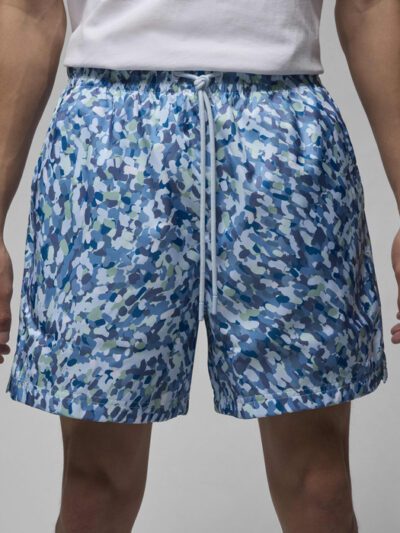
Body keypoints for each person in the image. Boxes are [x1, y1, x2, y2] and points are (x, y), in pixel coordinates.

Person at [0, 0, 398, 531]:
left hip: (283, 134)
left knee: (319, 485)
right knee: (93, 487)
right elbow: (29, 10)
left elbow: (369, 6)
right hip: (111, 142)